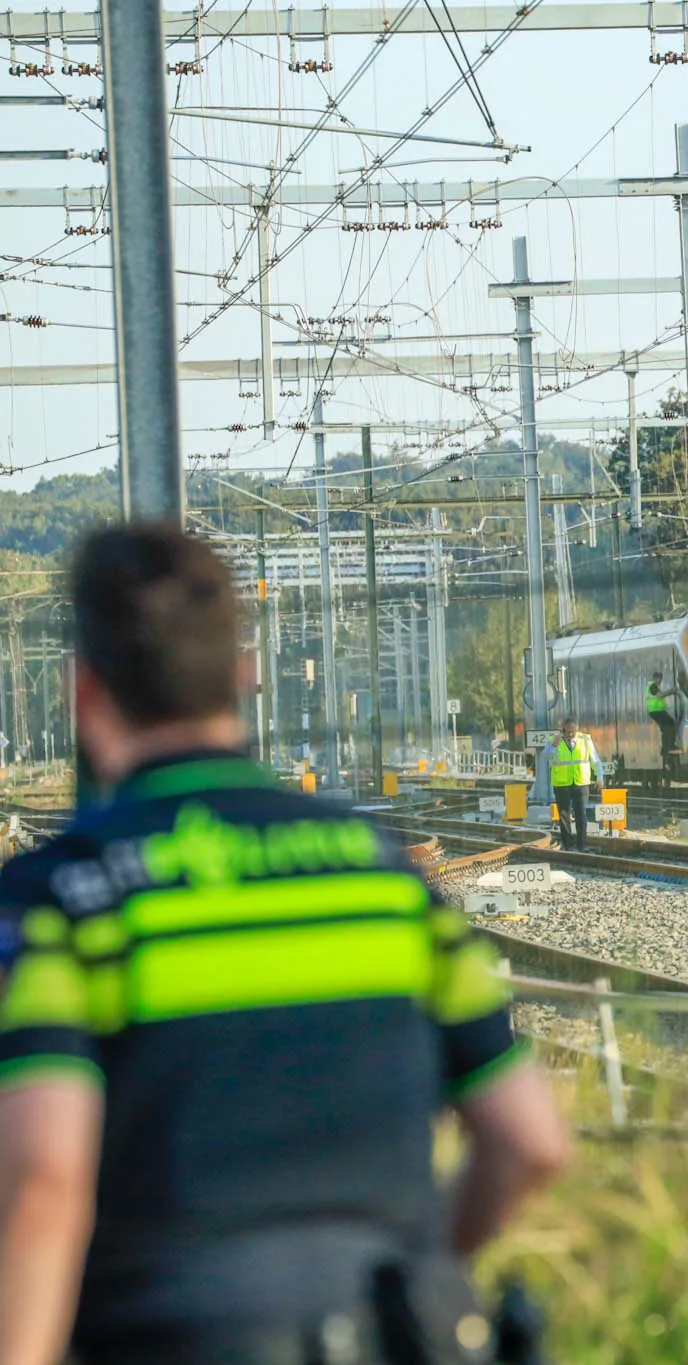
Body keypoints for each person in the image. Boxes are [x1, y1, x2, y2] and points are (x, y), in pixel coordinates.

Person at [0, 524, 568, 1365]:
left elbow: (45, 1176)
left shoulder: (62, 899)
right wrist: (416, 1269)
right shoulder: (384, 879)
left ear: (84, 692)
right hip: (391, 1330)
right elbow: (531, 1141)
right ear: (243, 675)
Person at [548, 718, 599, 852]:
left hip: (581, 783)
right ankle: (568, 845)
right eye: (568, 731)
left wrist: (599, 777)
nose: (571, 734)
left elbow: (595, 760)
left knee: (581, 814)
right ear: (563, 729)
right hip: (561, 784)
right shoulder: (555, 740)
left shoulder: (585, 740)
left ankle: (582, 844)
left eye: (573, 731)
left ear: (577, 729)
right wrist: (553, 746)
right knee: (564, 815)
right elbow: (545, 756)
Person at [646, 672, 680, 786]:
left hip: (657, 711)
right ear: (656, 678)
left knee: (667, 728)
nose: (660, 681)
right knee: (670, 724)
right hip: (656, 711)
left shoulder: (653, 686)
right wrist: (672, 691)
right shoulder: (652, 685)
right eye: (659, 679)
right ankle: (667, 746)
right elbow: (660, 696)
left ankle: (668, 746)